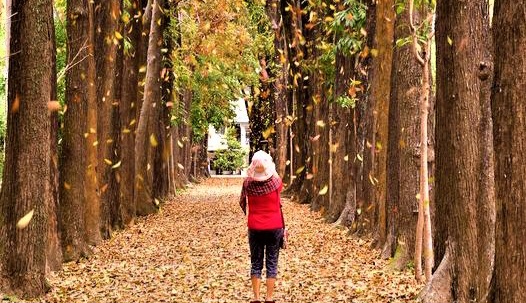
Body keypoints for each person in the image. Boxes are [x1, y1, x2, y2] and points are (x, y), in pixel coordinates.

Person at [240, 150, 284, 303]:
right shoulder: (276, 182)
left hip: (255, 227)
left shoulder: (247, 183)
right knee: (272, 261)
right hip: (275, 226)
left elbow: (243, 199)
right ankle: (269, 297)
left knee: (256, 261)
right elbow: (280, 188)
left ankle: (256, 297)